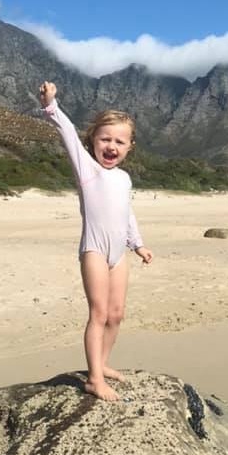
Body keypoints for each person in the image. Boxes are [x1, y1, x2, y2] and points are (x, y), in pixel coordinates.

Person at [38, 81, 154, 401]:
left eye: (120, 141)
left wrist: (138, 245)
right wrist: (51, 106)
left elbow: (126, 213)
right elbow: (68, 134)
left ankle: (102, 364)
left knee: (116, 314)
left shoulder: (124, 178)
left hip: (119, 254)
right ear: (92, 141)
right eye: (105, 139)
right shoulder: (88, 169)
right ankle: (93, 379)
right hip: (94, 251)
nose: (112, 146)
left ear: (130, 146)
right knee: (99, 314)